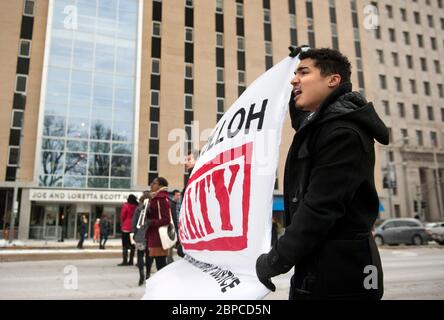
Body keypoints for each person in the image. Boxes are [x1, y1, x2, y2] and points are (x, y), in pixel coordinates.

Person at [255, 47, 388, 300]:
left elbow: (319, 208)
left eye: (304, 72)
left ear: (333, 80)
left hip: (343, 277)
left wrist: (275, 260)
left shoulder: (343, 134)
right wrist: (298, 61)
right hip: (318, 269)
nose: (294, 79)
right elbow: (300, 117)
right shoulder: (319, 126)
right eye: (294, 74)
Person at [146, 177, 171, 274]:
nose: (151, 185)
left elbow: (166, 219)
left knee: (160, 265)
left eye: (154, 183)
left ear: (161, 186)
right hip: (155, 235)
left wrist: (151, 222)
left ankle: (164, 287)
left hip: (159, 236)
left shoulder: (161, 199)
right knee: (159, 264)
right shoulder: (155, 198)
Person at [132, 191, 152, 286]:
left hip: (140, 235)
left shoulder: (138, 209)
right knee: (149, 256)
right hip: (150, 236)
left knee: (140, 255)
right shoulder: (152, 209)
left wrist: (134, 233)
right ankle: (148, 273)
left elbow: (134, 222)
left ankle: (141, 274)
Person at [118, 194, 138, 266]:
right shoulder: (137, 206)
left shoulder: (125, 205)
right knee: (132, 245)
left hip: (126, 228)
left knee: (125, 245)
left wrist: (122, 223)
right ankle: (131, 261)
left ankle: (125, 261)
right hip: (133, 228)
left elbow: (122, 216)